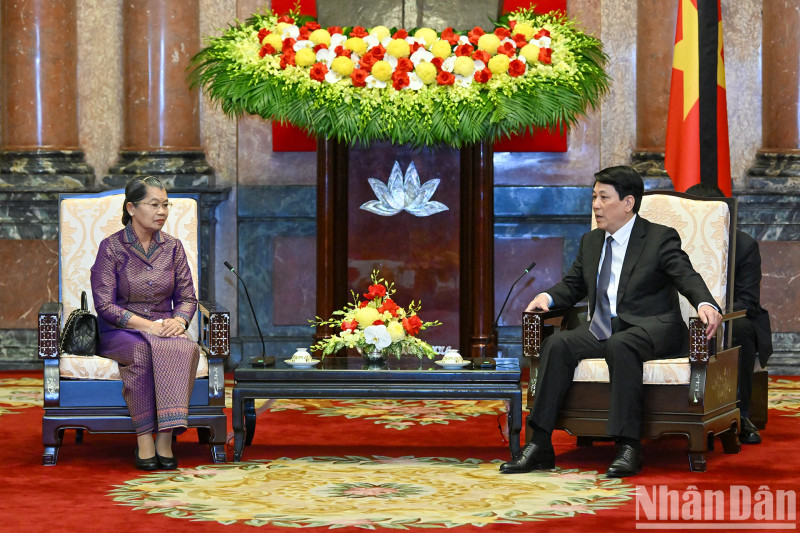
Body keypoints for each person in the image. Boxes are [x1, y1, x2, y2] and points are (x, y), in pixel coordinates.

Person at [500, 166, 722, 478]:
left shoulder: (658, 238)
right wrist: (547, 298)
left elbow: (686, 275)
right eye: (594, 197)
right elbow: (573, 285)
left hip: (654, 326)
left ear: (628, 202)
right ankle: (539, 445)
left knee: (622, 344)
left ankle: (628, 445)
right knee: (558, 343)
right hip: (605, 327)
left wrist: (704, 302)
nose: (596, 205)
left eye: (604, 197)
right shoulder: (592, 242)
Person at [90, 176, 199, 470]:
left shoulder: (173, 247)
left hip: (164, 326)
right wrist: (148, 326)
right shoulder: (111, 247)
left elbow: (188, 297)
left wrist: (179, 320)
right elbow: (104, 305)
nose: (162, 211)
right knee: (140, 353)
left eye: (166, 205)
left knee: (184, 348)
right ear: (132, 208)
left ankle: (165, 437)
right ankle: (144, 439)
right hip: (120, 331)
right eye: (154, 204)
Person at [685, 183, 772, 444]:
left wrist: (711, 313)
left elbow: (746, 300)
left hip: (731, 316)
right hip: (681, 313)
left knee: (741, 328)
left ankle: (739, 413)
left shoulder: (743, 245)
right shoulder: (675, 240)